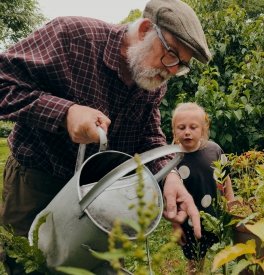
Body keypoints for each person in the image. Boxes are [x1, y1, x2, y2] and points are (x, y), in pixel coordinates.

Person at [0, 0, 211, 272]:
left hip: (102, 192)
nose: (172, 70)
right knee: (29, 264)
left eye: (181, 65)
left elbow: (148, 135)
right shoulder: (72, 37)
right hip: (38, 180)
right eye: (171, 55)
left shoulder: (153, 79)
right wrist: (65, 113)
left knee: (98, 266)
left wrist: (168, 176)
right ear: (146, 30)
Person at [170, 102, 234, 274]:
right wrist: (176, 225)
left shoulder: (214, 150)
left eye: (193, 127)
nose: (187, 132)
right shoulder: (172, 158)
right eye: (181, 127)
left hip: (216, 216)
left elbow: (226, 178)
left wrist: (231, 202)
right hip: (189, 223)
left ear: (203, 129)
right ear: (174, 130)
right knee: (195, 260)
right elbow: (170, 198)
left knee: (223, 255)